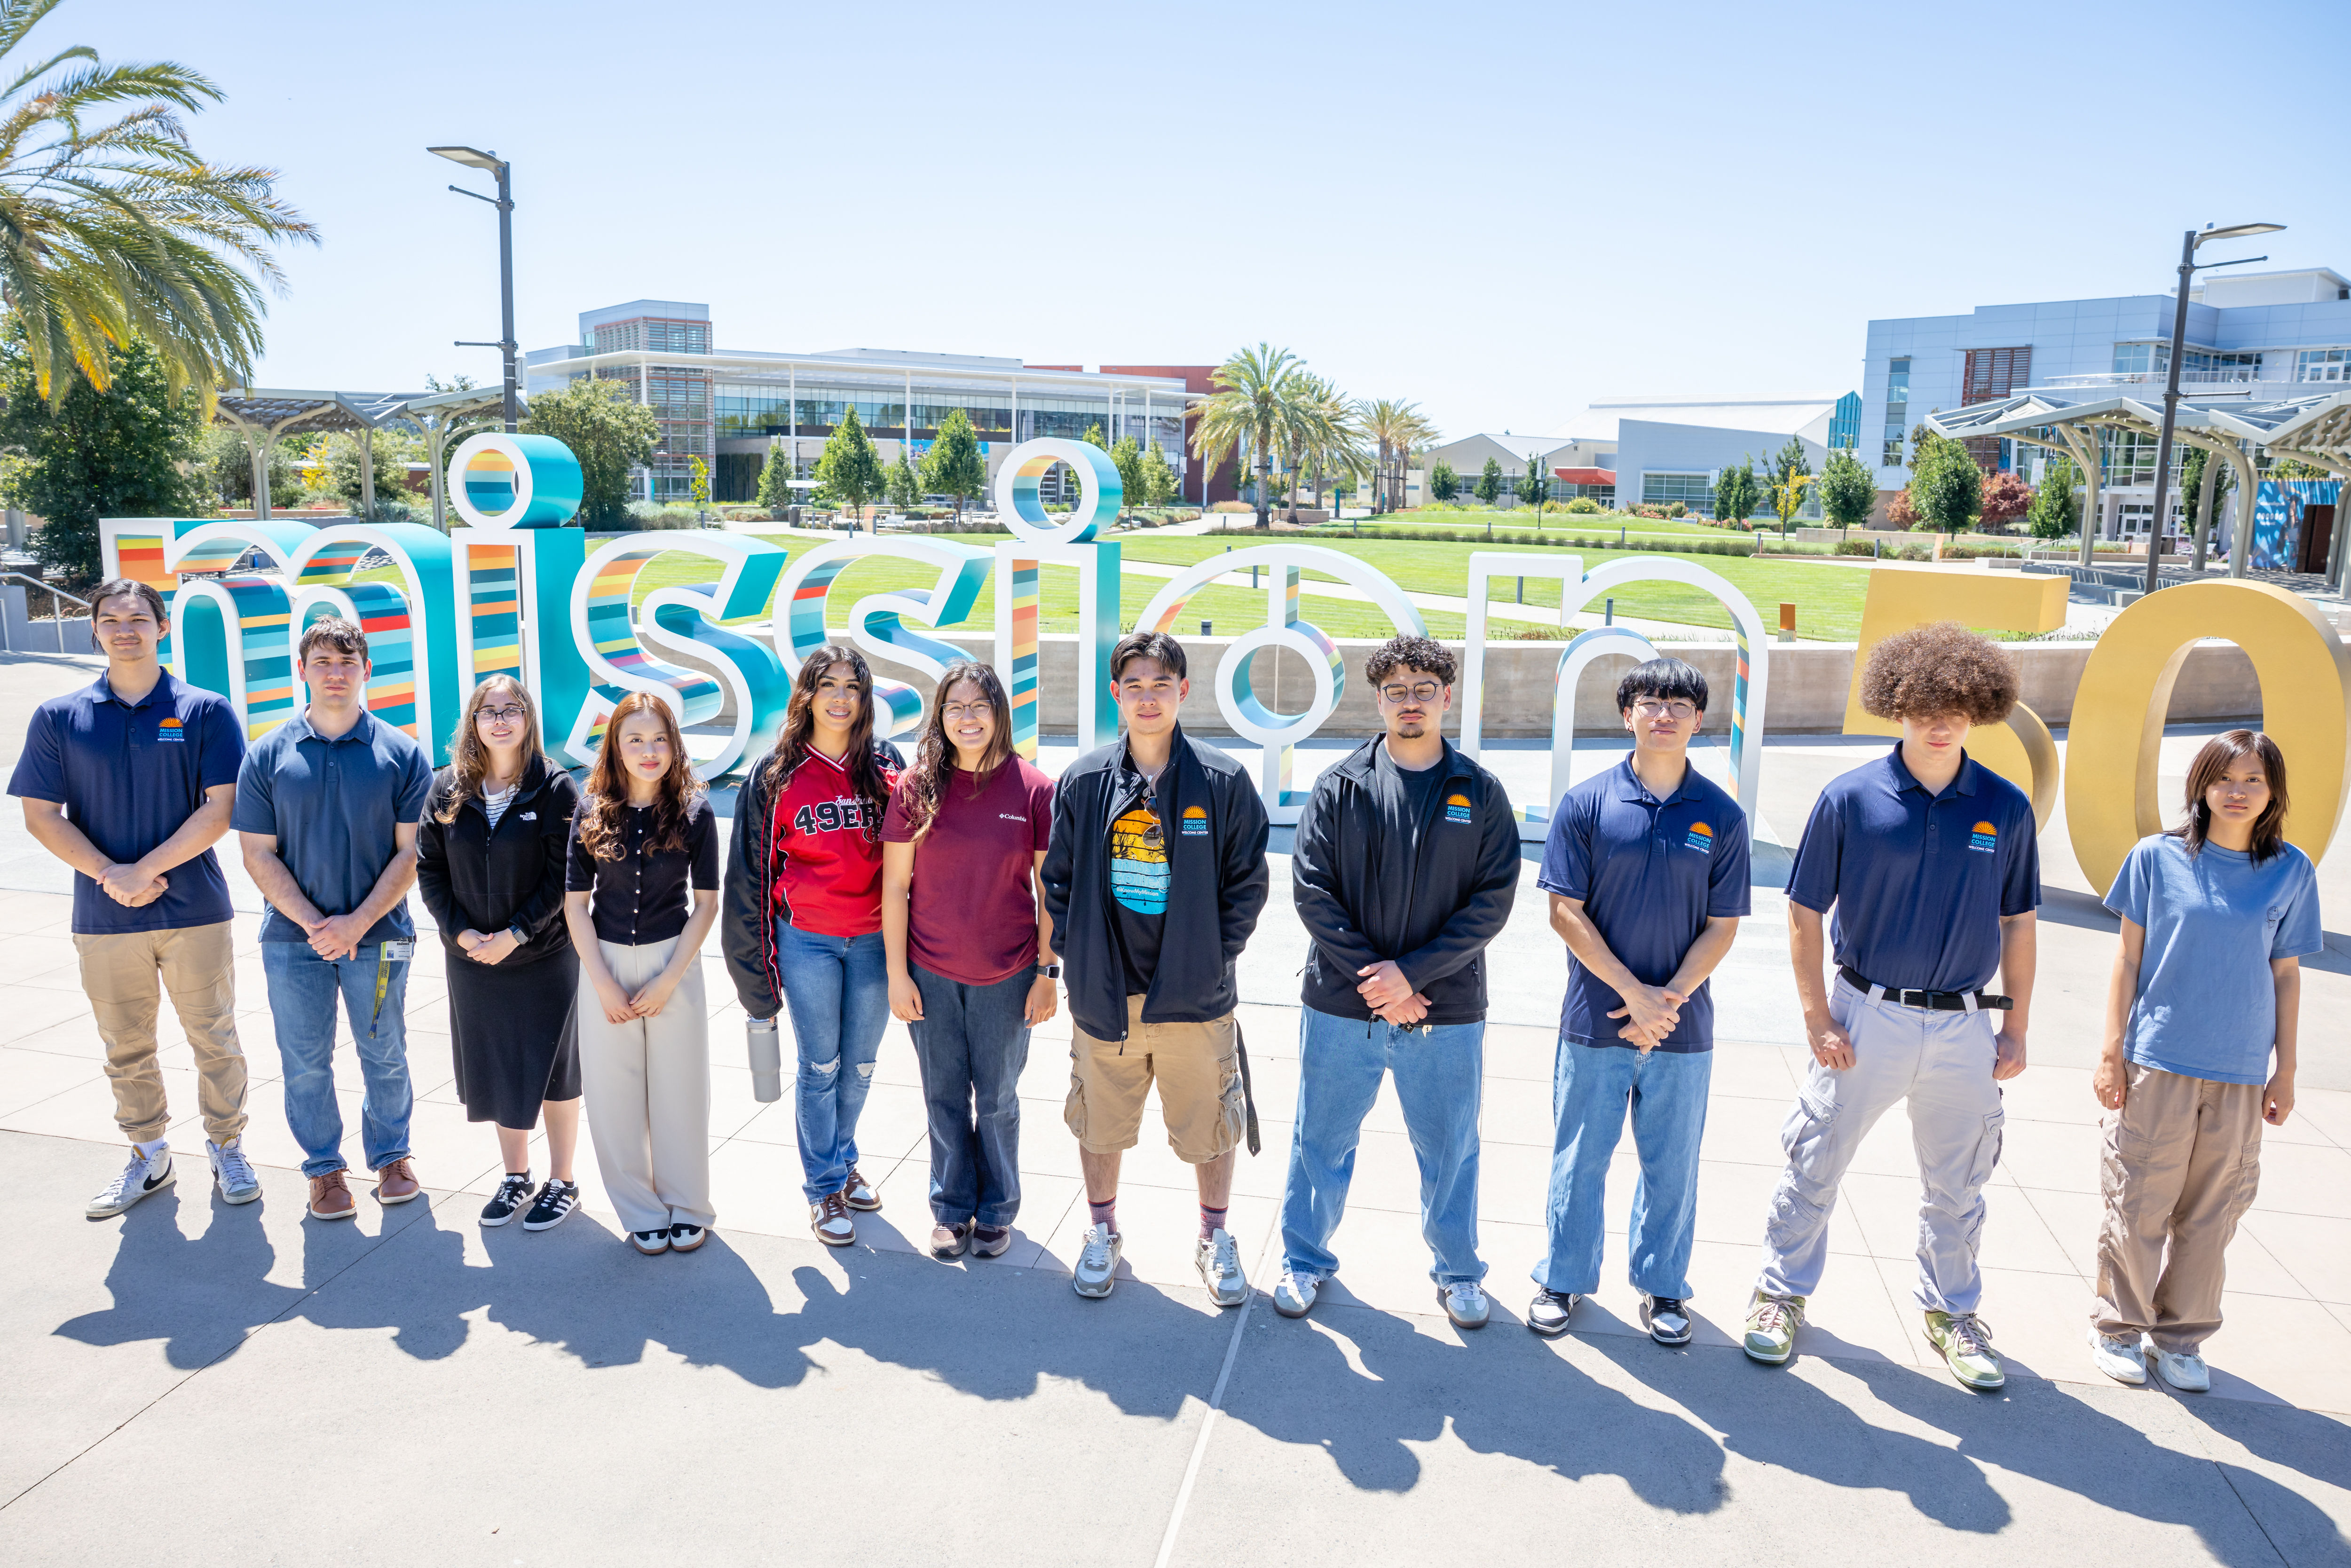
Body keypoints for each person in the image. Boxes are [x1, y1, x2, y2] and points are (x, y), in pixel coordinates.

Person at [1743, 622, 2038, 1390]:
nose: (1941, 721)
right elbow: (1803, 913)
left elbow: (2019, 924)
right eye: (1924, 705)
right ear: (1896, 706)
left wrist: (2016, 1026)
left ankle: (1953, 1313)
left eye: (1957, 707)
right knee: (1815, 1162)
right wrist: (1816, 1015)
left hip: (1966, 1024)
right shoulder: (1850, 799)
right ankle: (1779, 1294)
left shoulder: (2004, 808)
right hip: (1865, 1013)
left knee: (1960, 1183)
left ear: (1979, 709)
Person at [1278, 636, 1519, 1328]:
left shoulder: (1479, 791)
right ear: (1377, 698)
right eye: (1396, 690)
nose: (1410, 702)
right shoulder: (1341, 785)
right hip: (1341, 1005)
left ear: (1447, 696)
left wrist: (1411, 975)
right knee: (1320, 1139)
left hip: (1445, 1009)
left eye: (1423, 689)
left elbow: (1492, 900)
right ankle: (1304, 1258)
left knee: (1450, 1148)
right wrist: (1380, 981)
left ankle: (1458, 1271)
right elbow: (1313, 891)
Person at [9, 579, 256, 1216]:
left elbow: (220, 808)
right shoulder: (60, 716)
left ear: (162, 626)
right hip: (102, 914)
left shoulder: (205, 710)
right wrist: (109, 874)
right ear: (94, 629)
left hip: (194, 907)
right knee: (125, 1043)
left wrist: (143, 868)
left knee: (215, 1035)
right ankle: (148, 1155)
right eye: (110, 618)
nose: (125, 629)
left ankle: (227, 1146)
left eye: (138, 617)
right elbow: (41, 814)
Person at [1041, 630, 1270, 1306]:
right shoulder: (1084, 781)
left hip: (1194, 1000)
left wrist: (1208, 958)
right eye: (1134, 685)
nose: (1148, 698)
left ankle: (1214, 1234)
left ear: (1183, 693)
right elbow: (1057, 882)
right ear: (1116, 693)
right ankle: (1103, 1230)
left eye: (1161, 685)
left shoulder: (1223, 782)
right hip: (1107, 998)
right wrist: (1080, 955)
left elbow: (1247, 886)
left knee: (1209, 1125)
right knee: (1100, 1123)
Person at [2089, 730, 2318, 1394]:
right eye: (2226, 778)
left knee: (2213, 1212)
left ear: (2273, 791)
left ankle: (2181, 1339)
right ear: (2202, 785)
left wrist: (2287, 1069)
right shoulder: (2156, 859)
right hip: (2159, 1058)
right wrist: (2112, 1050)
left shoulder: (2291, 870)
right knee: (2138, 1200)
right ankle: (2117, 1328)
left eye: (2254, 779)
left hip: (2243, 1069)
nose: (2239, 791)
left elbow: (2287, 974)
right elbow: (2128, 958)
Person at [1530, 657, 1750, 1344]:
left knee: (1672, 1165)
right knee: (1580, 1157)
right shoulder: (1588, 803)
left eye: (1679, 704)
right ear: (1627, 714)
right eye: (1650, 701)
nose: (1664, 714)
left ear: (1699, 719)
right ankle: (1562, 1277)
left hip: (1681, 1030)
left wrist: (1670, 999)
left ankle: (1662, 1288)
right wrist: (1633, 994)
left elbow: (1723, 924)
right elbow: (1564, 910)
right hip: (1595, 1021)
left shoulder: (1721, 814)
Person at [236, 617, 433, 1221]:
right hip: (292, 944)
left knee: (386, 1053)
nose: (335, 673)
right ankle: (324, 1168)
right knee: (304, 1059)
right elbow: (256, 852)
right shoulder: (267, 753)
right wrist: (319, 923)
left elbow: (411, 853)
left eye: (348, 662)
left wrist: (356, 923)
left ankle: (392, 1157)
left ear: (367, 671)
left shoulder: (400, 753)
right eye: (322, 661)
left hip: (382, 940)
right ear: (302, 670)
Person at [720, 644, 905, 1247]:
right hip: (809, 942)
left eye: (853, 685)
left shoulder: (885, 764)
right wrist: (755, 977)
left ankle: (843, 1157)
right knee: (820, 1066)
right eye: (828, 684)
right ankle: (823, 1185)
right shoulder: (775, 773)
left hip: (877, 940)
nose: (841, 696)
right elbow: (749, 877)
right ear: (807, 693)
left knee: (860, 1065)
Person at [882, 661, 1057, 1260]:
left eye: (979, 705)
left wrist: (1046, 974)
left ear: (999, 713)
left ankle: (998, 1208)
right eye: (954, 706)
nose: (967, 717)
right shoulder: (915, 788)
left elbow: (1049, 893)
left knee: (1000, 1097)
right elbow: (894, 888)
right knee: (944, 1095)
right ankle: (952, 1208)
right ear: (939, 716)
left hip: (1007, 978)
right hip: (929, 974)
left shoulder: (1033, 789)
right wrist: (896, 973)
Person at [416, 676, 585, 1232]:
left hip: (543, 957)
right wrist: (462, 935)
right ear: (473, 721)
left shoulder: (555, 787)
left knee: (555, 1070)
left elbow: (566, 875)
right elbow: (430, 869)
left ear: (528, 718)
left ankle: (562, 1181)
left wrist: (517, 933)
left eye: (511, 709)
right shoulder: (447, 789)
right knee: (496, 1066)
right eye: (488, 711)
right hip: (473, 960)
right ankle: (517, 1175)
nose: (500, 720)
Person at [565, 692, 721, 1256]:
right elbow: (574, 906)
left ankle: (688, 1205)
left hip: (671, 962)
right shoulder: (590, 809)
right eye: (634, 739)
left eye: (659, 738)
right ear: (615, 746)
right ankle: (639, 1207)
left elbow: (705, 904)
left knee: (680, 1090)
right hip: (603, 962)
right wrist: (603, 981)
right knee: (612, 1095)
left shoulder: (695, 813)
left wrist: (669, 979)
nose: (648, 750)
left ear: (674, 744)